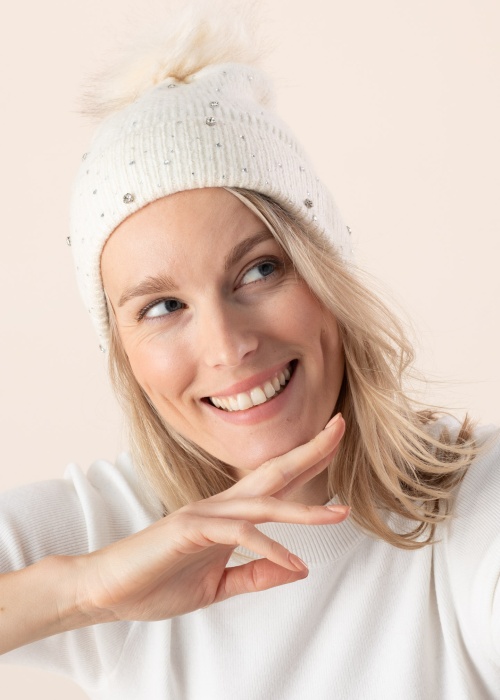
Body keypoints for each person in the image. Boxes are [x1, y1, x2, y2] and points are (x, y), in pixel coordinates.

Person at [1, 7, 499, 700]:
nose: (228, 347)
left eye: (260, 270)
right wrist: (86, 592)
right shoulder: (104, 529)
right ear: (126, 356)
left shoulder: (477, 503)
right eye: (163, 307)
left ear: (328, 275)